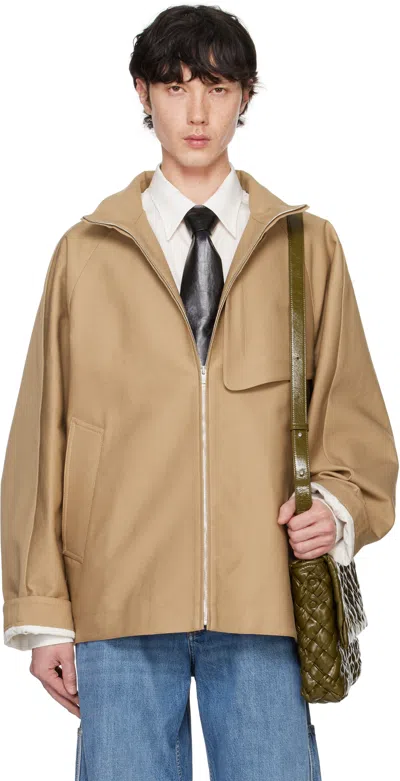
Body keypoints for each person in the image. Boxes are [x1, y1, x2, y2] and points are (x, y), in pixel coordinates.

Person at [1, 5, 398, 780]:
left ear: (245, 96)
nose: (196, 111)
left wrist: (337, 509)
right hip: (117, 600)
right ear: (142, 92)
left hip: (265, 602)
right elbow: (40, 441)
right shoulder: (85, 254)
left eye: (217, 88)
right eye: (175, 86)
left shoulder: (307, 247)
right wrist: (41, 615)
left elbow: (356, 423)